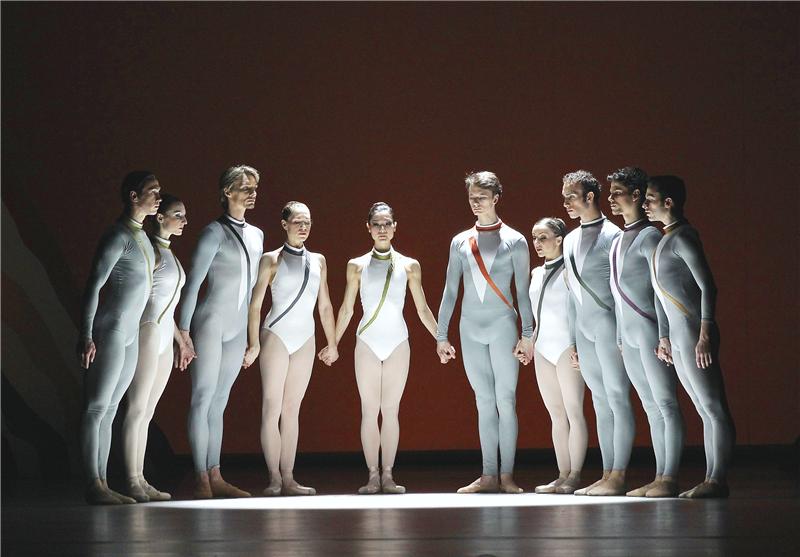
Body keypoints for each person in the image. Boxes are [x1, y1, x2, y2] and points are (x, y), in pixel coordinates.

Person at [437, 172, 534, 494]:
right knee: (483, 401)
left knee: (505, 400)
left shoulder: (515, 240)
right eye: (471, 198)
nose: (475, 203)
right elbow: (450, 291)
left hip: (502, 326)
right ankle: (488, 474)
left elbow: (523, 292)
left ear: (496, 198)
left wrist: (528, 335)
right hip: (469, 328)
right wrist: (441, 335)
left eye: (481, 197)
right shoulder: (460, 241)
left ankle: (507, 476)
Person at [333, 202, 439, 494]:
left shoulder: (409, 265)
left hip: (397, 342)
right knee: (369, 410)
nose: (382, 229)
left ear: (395, 228)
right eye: (377, 224)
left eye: (387, 224)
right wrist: (333, 343)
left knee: (391, 411)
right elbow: (346, 309)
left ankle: (388, 475)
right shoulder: (356, 265)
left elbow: (422, 309)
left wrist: (440, 339)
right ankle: (372, 475)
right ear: (368, 228)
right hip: (367, 342)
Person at [643, 175, 735, 498]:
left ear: (668, 203)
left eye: (650, 198)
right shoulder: (663, 240)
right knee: (702, 408)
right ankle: (710, 478)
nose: (645, 204)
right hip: (680, 335)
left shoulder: (683, 237)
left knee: (712, 406)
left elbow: (708, 286)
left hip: (695, 333)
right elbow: (659, 293)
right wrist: (664, 337)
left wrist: (705, 333)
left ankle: (717, 479)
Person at [177, 165, 263, 499]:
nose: (252, 193)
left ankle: (215, 473)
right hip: (210, 322)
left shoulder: (257, 235)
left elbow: (253, 294)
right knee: (202, 397)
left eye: (254, 188)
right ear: (227, 191)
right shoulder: (213, 233)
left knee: (220, 401)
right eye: (245, 187)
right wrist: (184, 331)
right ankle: (200, 477)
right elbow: (193, 285)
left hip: (237, 327)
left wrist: (253, 338)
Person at [77, 171, 160, 504]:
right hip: (109, 330)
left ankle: (103, 482)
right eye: (152, 191)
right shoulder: (117, 236)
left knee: (111, 409)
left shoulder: (142, 237)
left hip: (129, 334)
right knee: (96, 407)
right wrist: (86, 334)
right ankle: (93, 484)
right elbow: (93, 286)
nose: (158, 197)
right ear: (133, 196)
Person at [244, 202, 338, 496]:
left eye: (307, 222)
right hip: (276, 335)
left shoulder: (319, 260)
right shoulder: (271, 259)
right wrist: (254, 343)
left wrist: (332, 343)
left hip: (305, 338)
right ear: (284, 224)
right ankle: (274, 477)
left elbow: (325, 305)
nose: (303, 227)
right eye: (298, 222)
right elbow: (256, 305)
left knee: (292, 410)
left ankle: (289, 476)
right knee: (272, 407)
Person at [607, 167, 685, 498]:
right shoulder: (617, 239)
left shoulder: (650, 236)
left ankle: (670, 477)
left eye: (617, 192)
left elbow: (660, 290)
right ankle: (659, 476)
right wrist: (620, 337)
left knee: (666, 403)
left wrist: (664, 334)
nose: (611, 199)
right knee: (651, 406)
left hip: (650, 329)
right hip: (629, 334)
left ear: (637, 195)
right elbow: (616, 293)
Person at [561, 170, 634, 496]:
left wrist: (621, 335)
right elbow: (571, 293)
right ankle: (606, 473)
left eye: (571, 196)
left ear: (590, 196)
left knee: (617, 396)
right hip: (584, 328)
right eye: (564, 197)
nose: (566, 203)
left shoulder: (613, 235)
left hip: (608, 324)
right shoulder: (570, 239)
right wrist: (573, 339)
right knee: (600, 401)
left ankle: (619, 474)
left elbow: (621, 290)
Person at [121, 194, 191, 502]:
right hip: (148, 330)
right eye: (178, 214)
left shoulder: (169, 252)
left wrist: (181, 340)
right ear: (160, 217)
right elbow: (135, 295)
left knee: (148, 412)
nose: (184, 220)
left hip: (163, 334)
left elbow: (169, 307)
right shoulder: (149, 250)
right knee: (137, 408)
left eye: (184, 215)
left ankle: (141, 478)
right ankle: (131, 479)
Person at [523, 217, 588, 495]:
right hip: (543, 348)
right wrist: (529, 341)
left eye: (543, 237)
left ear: (559, 239)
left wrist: (577, 344)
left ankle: (575, 475)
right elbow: (538, 314)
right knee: (556, 415)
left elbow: (579, 310)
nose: (537, 243)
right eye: (534, 238)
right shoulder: (536, 273)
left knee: (574, 411)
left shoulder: (570, 270)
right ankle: (562, 474)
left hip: (567, 346)